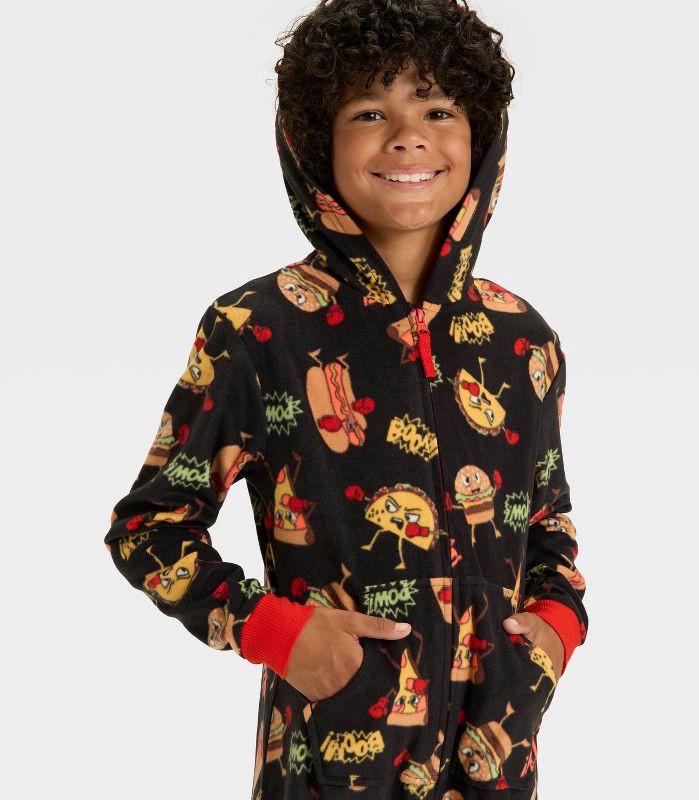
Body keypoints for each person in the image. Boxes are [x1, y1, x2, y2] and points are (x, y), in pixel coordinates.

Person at [103, 1, 588, 798]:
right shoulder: (258, 330)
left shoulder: (522, 339)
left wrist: (554, 635)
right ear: (313, 141)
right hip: (330, 763)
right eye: (369, 111)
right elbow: (149, 528)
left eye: (437, 109)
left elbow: (548, 528)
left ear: (482, 135)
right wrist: (277, 632)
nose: (407, 136)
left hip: (496, 764)